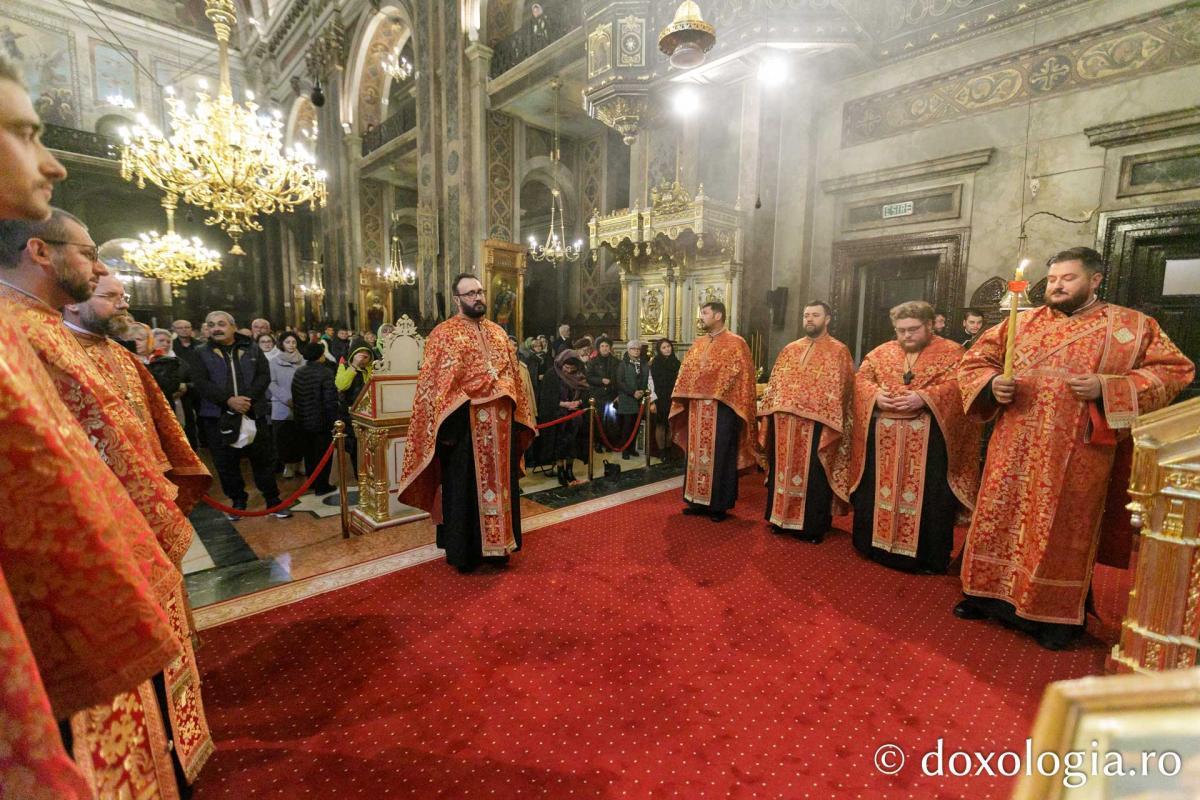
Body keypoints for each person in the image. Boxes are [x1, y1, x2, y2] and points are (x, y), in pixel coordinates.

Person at [0, 57, 181, 797]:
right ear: (40, 251)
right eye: (23, 132)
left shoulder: (30, 329)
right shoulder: (28, 330)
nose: (51, 162)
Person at [0, 216, 215, 796]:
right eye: (92, 257)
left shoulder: (62, 339)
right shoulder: (24, 334)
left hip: (119, 530)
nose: (103, 274)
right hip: (73, 560)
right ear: (40, 251)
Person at [955, 248, 1194, 649]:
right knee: (1000, 514)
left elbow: (1175, 370)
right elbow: (974, 362)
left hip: (1078, 453)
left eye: (1068, 278)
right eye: (1052, 280)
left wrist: (1109, 387)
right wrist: (992, 383)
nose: (1056, 286)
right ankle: (984, 596)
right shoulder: (1022, 321)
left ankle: (1054, 615)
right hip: (1013, 444)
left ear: (1095, 280)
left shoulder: (1131, 326)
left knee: (1060, 530)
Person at [397, 273, 537, 573]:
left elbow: (513, 376)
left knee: (501, 490)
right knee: (463, 492)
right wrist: (453, 421)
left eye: (480, 291)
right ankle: (464, 552)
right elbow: (435, 386)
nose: (478, 297)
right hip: (464, 428)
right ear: (457, 299)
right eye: (471, 293)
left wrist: (509, 402)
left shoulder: (498, 332)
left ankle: (498, 549)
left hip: (500, 428)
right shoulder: (443, 334)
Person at [844, 300, 980, 574]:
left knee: (929, 497)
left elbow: (962, 386)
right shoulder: (881, 353)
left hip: (930, 444)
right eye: (901, 330)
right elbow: (861, 380)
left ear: (930, 325)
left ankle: (924, 558)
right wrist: (875, 395)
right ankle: (873, 546)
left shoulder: (952, 353)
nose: (906, 335)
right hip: (883, 443)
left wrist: (924, 397)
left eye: (913, 329)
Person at [758, 301, 855, 542]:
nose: (809, 319)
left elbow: (842, 390)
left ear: (828, 318)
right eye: (806, 315)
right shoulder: (790, 349)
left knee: (814, 474)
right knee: (783, 471)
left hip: (817, 425)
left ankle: (812, 526)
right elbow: (776, 383)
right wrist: (771, 411)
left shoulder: (838, 351)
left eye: (815, 315)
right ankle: (779, 518)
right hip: (784, 424)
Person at [193, 310, 290, 520]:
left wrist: (247, 400)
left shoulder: (252, 348)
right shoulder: (201, 352)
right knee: (226, 462)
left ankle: (273, 499)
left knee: (262, 459)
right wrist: (228, 400)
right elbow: (201, 382)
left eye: (221, 324)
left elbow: (263, 376)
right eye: (211, 325)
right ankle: (238, 500)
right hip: (218, 415)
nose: (216, 328)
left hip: (252, 411)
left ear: (233, 327)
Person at [670, 301, 759, 522]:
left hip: (723, 409)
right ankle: (696, 501)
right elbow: (687, 371)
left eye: (705, 313)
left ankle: (719, 505)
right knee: (695, 455)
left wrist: (718, 391)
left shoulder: (736, 344)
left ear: (718, 315)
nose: (701, 317)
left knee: (720, 455)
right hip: (697, 410)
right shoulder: (698, 343)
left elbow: (743, 378)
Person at [291, 342, 339, 495]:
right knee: (323, 455)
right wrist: (334, 422)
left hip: (302, 421)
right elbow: (330, 401)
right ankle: (322, 486)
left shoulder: (299, 372)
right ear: (320, 356)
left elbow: (295, 398)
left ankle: (311, 482)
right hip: (321, 422)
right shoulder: (326, 373)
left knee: (309, 454)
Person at [268, 331, 305, 478]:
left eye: (294, 342)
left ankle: (301, 463)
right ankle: (288, 466)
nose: (291, 345)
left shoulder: (303, 361)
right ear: (282, 344)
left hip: (301, 405)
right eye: (288, 342)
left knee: (300, 436)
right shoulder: (274, 362)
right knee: (284, 438)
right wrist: (286, 398)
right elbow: (272, 383)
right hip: (281, 406)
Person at [336, 345, 374, 476]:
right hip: (351, 416)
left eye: (366, 356)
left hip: (370, 415)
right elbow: (341, 385)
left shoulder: (373, 369)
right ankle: (360, 478)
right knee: (356, 449)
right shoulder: (345, 367)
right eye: (360, 355)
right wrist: (354, 366)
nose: (363, 359)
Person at [147, 326, 193, 424]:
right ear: (150, 341)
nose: (165, 344)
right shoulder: (146, 362)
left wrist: (185, 386)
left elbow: (194, 381)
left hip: (180, 405)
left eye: (168, 341)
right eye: (161, 340)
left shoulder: (180, 362)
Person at [615, 339, 649, 459]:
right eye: (633, 349)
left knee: (636, 424)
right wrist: (632, 392)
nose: (636, 351)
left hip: (640, 397)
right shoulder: (622, 364)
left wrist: (641, 392)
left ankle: (632, 448)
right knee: (627, 426)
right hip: (627, 398)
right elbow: (620, 382)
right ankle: (625, 449)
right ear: (628, 350)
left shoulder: (644, 363)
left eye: (638, 349)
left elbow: (646, 379)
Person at [649, 338, 681, 459]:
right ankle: (662, 451)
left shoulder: (676, 362)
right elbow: (651, 383)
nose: (667, 349)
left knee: (671, 424)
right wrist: (652, 401)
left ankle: (668, 449)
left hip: (673, 397)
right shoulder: (655, 363)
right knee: (661, 424)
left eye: (668, 346)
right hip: (660, 398)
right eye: (664, 347)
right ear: (659, 350)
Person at [587, 336, 619, 450]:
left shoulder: (616, 362)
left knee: (611, 420)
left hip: (612, 394)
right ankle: (598, 443)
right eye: (602, 346)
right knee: (598, 420)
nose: (605, 348)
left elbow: (619, 379)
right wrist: (601, 380)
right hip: (598, 394)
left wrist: (618, 395)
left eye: (607, 346)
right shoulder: (593, 362)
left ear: (610, 348)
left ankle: (609, 443)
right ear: (598, 348)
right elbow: (589, 377)